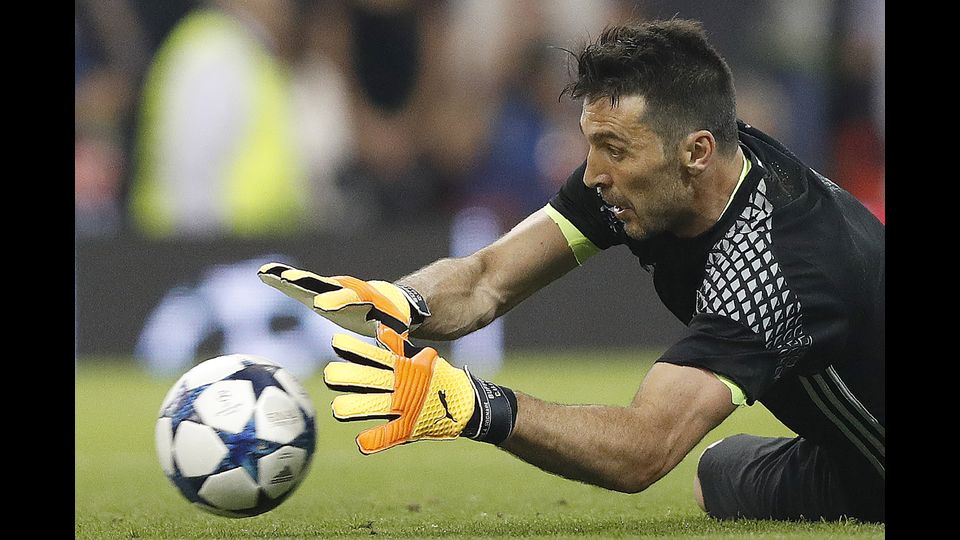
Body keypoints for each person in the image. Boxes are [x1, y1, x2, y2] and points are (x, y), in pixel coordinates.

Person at [258, 19, 884, 523]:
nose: (590, 174)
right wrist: (398, 301)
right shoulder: (664, 170)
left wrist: (477, 406)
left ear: (696, 152)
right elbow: (486, 279)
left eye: (612, 150)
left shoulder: (774, 271)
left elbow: (643, 450)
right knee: (713, 475)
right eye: (591, 143)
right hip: (838, 452)